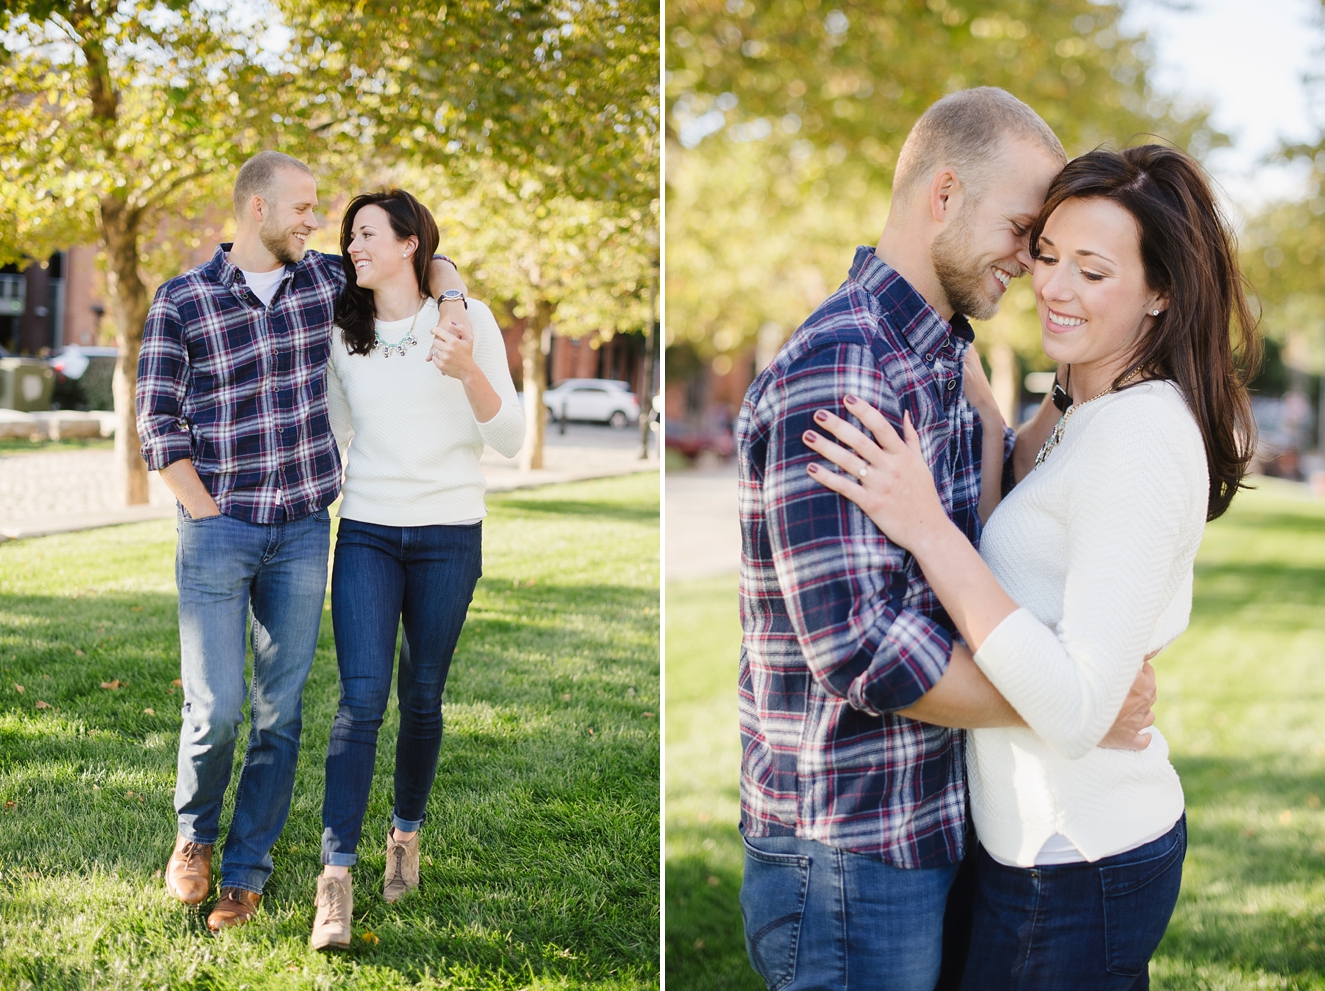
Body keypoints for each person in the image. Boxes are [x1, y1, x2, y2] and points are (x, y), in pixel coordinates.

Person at [803, 145, 1258, 988]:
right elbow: (1024, 491)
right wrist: (988, 396)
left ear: (1161, 291)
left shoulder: (1141, 439)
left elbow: (1081, 707)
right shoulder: (1093, 407)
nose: (1050, 285)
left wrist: (925, 526)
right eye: (1046, 255)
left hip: (1077, 856)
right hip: (1034, 843)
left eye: (1091, 271)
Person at [735, 88, 1159, 991]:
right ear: (943, 195)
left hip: (929, 819)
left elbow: (989, 519)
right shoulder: (842, 367)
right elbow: (863, 650)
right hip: (849, 845)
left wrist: (1049, 395)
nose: (1032, 265)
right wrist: (1076, 702)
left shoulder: (938, 354)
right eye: (1021, 231)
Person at [137, 152, 467, 931]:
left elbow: (418, 252)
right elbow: (156, 421)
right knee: (216, 708)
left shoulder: (322, 283)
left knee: (278, 714)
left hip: (302, 528)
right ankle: (193, 836)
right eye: (304, 208)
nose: (317, 222)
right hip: (218, 529)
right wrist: (205, 510)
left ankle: (246, 873)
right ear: (257, 208)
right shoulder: (183, 300)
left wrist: (450, 291)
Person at [307, 189, 524, 950]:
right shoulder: (342, 331)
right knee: (359, 700)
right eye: (348, 235)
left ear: (409, 244)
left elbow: (510, 437)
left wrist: (466, 367)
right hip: (366, 528)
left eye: (366, 233)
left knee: (422, 696)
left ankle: (405, 834)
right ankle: (334, 876)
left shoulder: (466, 320)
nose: (352, 245)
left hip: (448, 532)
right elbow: (335, 431)